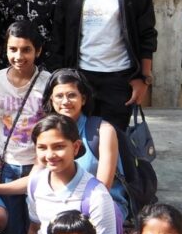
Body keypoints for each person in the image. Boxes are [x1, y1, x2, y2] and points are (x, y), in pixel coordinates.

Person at [48, 0, 157, 132]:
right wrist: (60, 81)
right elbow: (58, 38)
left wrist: (143, 79)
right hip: (80, 78)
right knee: (79, 138)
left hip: (119, 79)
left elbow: (147, 35)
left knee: (114, 138)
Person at [0, 21, 52, 234]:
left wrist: (42, 163)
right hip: (6, 166)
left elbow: (50, 129)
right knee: (12, 229)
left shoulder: (48, 82)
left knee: (36, 227)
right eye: (12, 49)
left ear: (38, 51)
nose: (18, 56)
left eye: (26, 50)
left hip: (36, 165)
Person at [41, 69, 128, 219]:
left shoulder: (104, 131)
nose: (65, 101)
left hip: (101, 210)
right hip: (62, 206)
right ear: (51, 100)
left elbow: (102, 189)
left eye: (71, 95)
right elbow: (36, 177)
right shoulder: (48, 132)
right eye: (59, 96)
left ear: (83, 99)